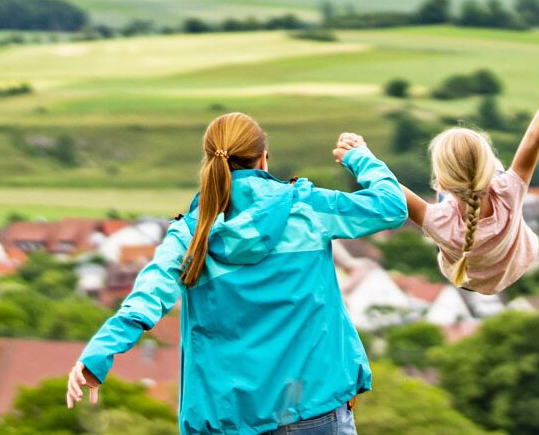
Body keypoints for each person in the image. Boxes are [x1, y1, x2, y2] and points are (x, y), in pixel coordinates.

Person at [65, 112, 408, 435]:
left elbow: (145, 302)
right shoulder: (306, 208)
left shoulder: (189, 237)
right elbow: (391, 207)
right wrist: (359, 157)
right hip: (313, 406)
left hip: (229, 419)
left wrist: (97, 356)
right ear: (263, 159)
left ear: (210, 163)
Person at [389, 60, 539, 293]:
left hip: (466, 277)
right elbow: (534, 139)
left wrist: (356, 155)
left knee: (447, 205)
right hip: (517, 260)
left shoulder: (438, 220)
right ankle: (481, 171)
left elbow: (387, 185)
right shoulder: (509, 190)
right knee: (497, 174)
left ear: (441, 182)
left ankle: (464, 178)